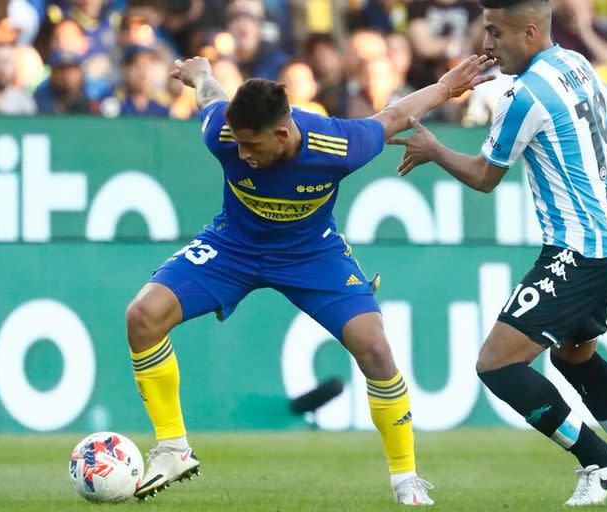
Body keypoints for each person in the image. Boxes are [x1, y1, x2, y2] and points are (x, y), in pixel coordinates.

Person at [125, 53, 496, 503]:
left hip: (311, 253)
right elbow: (211, 96)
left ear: (282, 133)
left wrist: (445, 87)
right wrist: (200, 73)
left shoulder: (339, 144)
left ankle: (406, 481)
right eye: (237, 144)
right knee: (143, 316)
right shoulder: (221, 133)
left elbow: (395, 115)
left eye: (252, 146)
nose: (241, 154)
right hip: (235, 246)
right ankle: (173, 449)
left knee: (375, 348)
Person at [388, 0, 607, 506]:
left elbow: (483, 177)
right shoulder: (577, 63)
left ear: (529, 31)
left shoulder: (523, 96)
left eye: (495, 33)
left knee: (496, 365)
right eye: (485, 32)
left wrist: (434, 150)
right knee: (574, 355)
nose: (487, 46)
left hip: (578, 246)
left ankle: (598, 458)